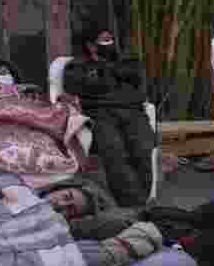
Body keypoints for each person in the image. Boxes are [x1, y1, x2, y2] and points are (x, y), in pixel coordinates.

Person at [63, 26, 155, 207]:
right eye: (104, 40)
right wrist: (103, 72)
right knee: (114, 151)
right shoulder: (78, 65)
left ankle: (143, 199)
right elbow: (79, 86)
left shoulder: (126, 61)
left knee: (143, 148)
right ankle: (133, 204)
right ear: (90, 45)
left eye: (110, 39)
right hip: (101, 113)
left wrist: (107, 70)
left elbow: (136, 80)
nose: (109, 43)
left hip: (132, 112)